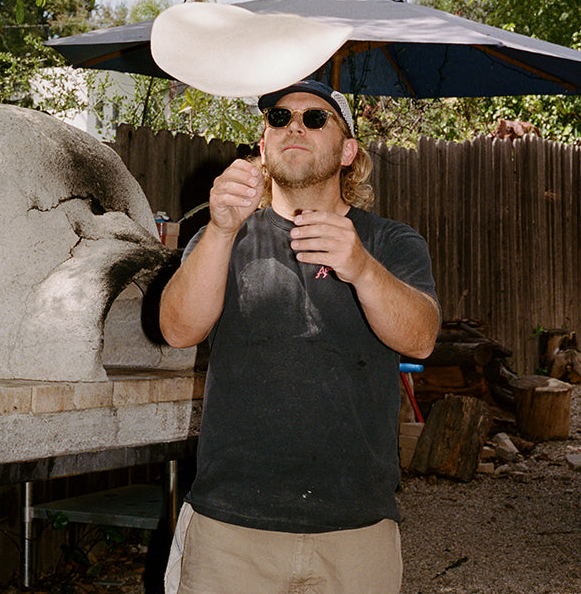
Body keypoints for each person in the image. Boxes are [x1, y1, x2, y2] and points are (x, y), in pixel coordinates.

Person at [159, 79, 440, 594]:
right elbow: (177, 331)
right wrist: (220, 230)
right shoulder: (223, 234)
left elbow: (420, 339)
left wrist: (361, 268)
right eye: (279, 118)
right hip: (231, 527)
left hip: (357, 529)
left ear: (348, 150)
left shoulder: (389, 241)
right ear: (263, 146)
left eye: (315, 119)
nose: (295, 126)